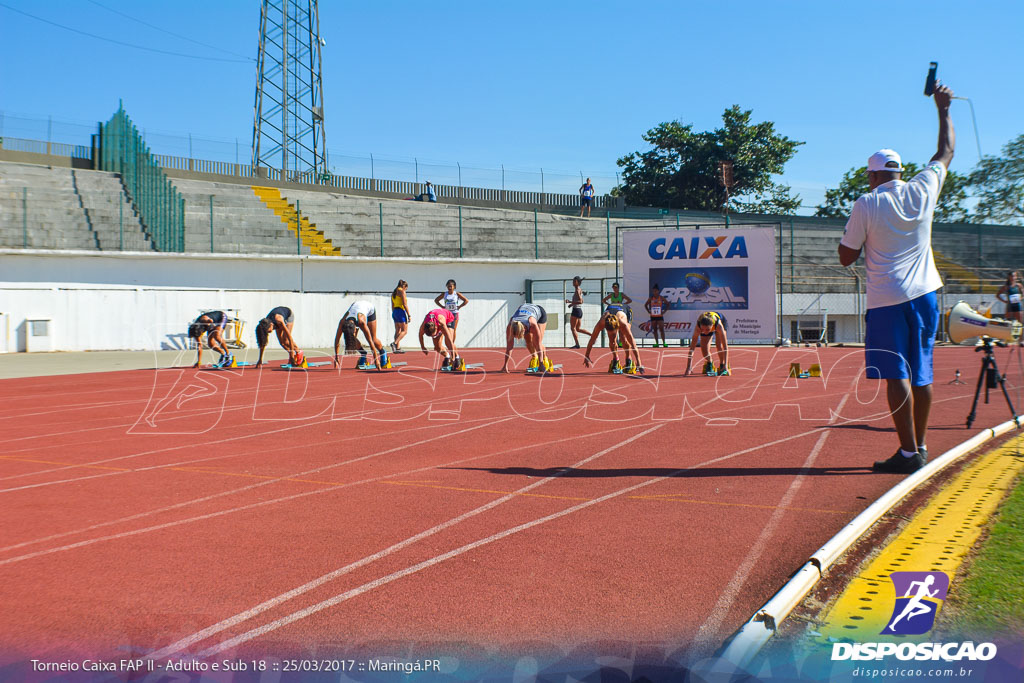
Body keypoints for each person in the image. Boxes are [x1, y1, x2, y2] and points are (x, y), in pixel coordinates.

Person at [837, 84, 956, 474]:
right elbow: (946, 152)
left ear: (872, 175)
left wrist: (862, 239)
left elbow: (845, 256)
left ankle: (908, 453)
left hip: (888, 297)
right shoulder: (924, 187)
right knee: (922, 373)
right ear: (900, 171)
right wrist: (944, 109)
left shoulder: (867, 202)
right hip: (926, 294)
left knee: (895, 373)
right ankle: (917, 447)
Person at [582, 306, 643, 374]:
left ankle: (628, 359)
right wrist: (587, 356)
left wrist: (639, 362)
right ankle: (615, 359)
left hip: (626, 311)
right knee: (612, 341)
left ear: (617, 326)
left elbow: (633, 343)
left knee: (623, 339)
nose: (612, 334)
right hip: (611, 309)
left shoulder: (623, 324)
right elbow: (592, 339)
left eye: (613, 331)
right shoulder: (601, 323)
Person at [334, 300, 389, 370]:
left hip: (369, 309)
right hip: (355, 305)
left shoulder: (361, 322)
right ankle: (363, 353)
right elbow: (337, 340)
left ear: (355, 329)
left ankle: (383, 352)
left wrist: (376, 360)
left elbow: (370, 342)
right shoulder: (342, 323)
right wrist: (336, 357)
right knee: (351, 338)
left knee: (373, 339)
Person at [501, 303, 551, 373]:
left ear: (523, 330)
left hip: (539, 313)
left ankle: (544, 360)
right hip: (525, 310)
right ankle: (534, 357)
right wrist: (505, 365)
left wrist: (541, 364)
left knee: (536, 342)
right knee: (528, 341)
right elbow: (509, 347)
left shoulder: (532, 324)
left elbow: (538, 345)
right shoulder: (510, 326)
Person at [684, 311, 730, 376]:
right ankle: (710, 362)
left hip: (720, 320)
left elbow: (725, 347)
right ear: (700, 326)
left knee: (719, 345)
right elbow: (692, 349)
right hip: (707, 323)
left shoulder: (719, 325)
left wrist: (725, 365)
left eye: (707, 329)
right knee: (704, 351)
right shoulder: (698, 328)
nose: (705, 332)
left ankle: (722, 365)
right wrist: (688, 367)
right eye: (703, 329)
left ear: (712, 326)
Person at [565, 276, 592, 349]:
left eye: (574, 281)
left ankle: (577, 344)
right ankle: (592, 335)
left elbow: (581, 301)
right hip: (579, 311)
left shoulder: (577, 290)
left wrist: (571, 304)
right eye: (573, 281)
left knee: (573, 328)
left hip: (576, 310)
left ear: (577, 282)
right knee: (578, 329)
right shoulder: (579, 289)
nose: (573, 282)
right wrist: (570, 302)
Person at [390, 280, 411, 352]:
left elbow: (392, 305)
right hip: (401, 311)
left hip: (395, 311)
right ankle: (394, 343)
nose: (406, 290)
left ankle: (397, 348)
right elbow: (405, 304)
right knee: (404, 331)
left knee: (397, 330)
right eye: (406, 288)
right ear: (404, 286)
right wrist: (409, 315)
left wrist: (394, 314)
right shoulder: (402, 291)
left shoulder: (394, 292)